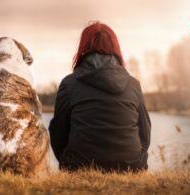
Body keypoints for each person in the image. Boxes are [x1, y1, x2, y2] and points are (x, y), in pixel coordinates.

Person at [49, 21, 151, 172]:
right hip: (131, 167)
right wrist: (135, 160)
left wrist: (67, 161)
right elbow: (145, 134)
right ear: (115, 48)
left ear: (83, 48)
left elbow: (58, 133)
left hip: (79, 167)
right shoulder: (133, 84)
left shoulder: (69, 84)